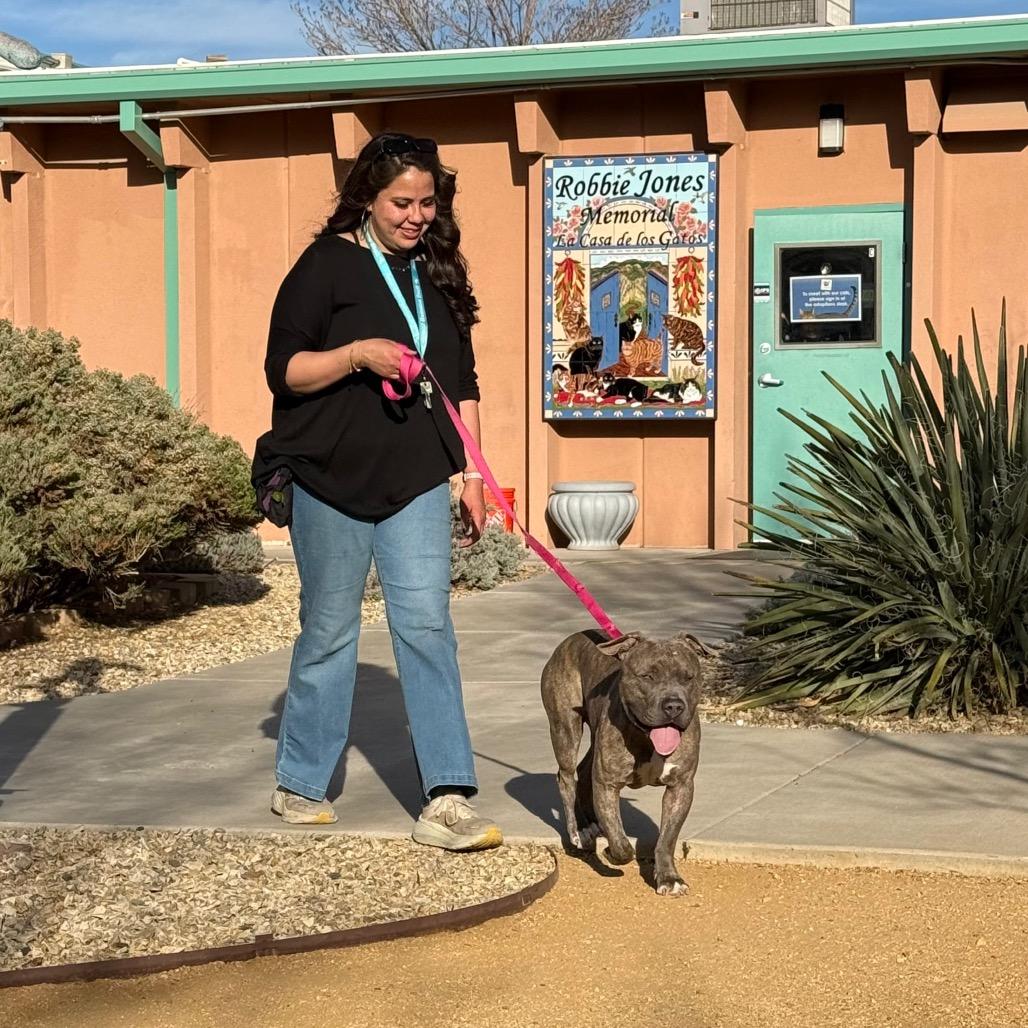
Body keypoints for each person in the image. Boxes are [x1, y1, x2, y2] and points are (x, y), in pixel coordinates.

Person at [252, 131, 502, 851]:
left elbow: (463, 386)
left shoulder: (439, 275)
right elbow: (285, 370)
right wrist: (358, 354)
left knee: (426, 627)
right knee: (329, 632)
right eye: (402, 201)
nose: (416, 215)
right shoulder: (326, 266)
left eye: (427, 202)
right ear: (368, 196)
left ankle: (448, 796)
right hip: (328, 478)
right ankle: (300, 782)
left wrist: (474, 474)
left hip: (417, 480)